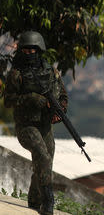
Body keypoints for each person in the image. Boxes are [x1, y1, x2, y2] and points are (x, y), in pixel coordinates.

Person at [4, 31, 68, 215]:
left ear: (39, 50)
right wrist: (30, 98)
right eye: (25, 50)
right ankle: (48, 202)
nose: (29, 53)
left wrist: (60, 110)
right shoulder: (16, 74)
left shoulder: (52, 72)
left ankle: (34, 199)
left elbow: (63, 96)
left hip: (45, 125)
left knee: (45, 162)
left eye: (33, 50)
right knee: (42, 156)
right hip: (26, 126)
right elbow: (8, 100)